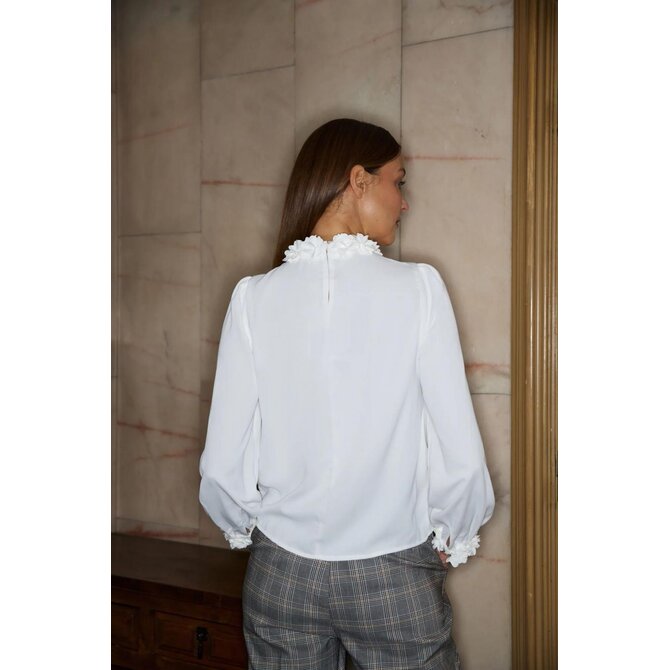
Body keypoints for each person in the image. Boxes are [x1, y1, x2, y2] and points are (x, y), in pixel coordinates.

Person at [198, 118, 495, 670]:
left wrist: (252, 530)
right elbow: (460, 452)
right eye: (398, 182)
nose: (404, 202)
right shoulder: (418, 289)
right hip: (393, 572)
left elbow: (220, 466)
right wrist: (451, 535)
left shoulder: (252, 297)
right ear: (359, 180)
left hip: (281, 576)